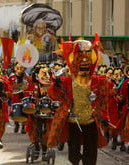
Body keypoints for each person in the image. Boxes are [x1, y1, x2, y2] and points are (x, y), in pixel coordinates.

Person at [47, 37, 108, 165]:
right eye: (80, 59)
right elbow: (53, 95)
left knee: (90, 155)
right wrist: (56, 86)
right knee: (73, 155)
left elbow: (103, 101)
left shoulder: (99, 81)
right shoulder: (67, 81)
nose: (84, 62)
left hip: (91, 122)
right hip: (73, 122)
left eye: (87, 58)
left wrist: (105, 117)